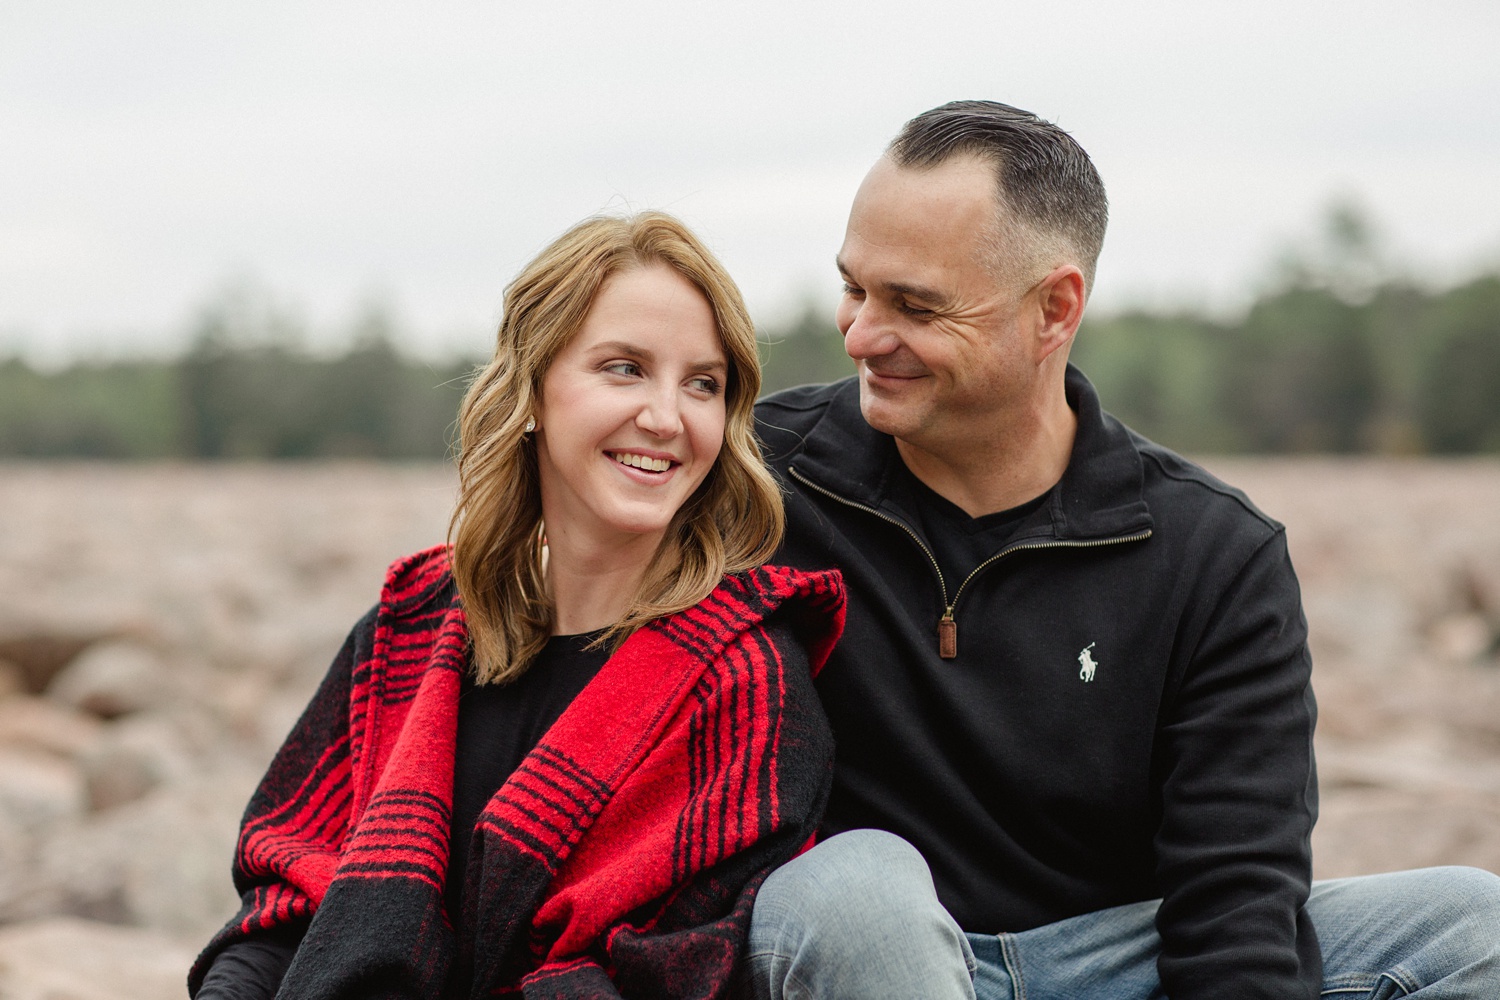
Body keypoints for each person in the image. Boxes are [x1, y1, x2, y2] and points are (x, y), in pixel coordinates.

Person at [743, 101, 1500, 999]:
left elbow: (1234, 901)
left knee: (1472, 922)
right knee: (857, 887)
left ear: (1054, 309)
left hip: (1110, 962)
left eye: (915, 305)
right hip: (857, 955)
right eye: (855, 288)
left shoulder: (1214, 555)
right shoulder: (754, 483)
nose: (862, 333)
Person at [187, 212, 845, 1000]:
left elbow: (671, 972)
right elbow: (285, 909)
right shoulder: (411, 629)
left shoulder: (746, 683)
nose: (668, 418)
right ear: (531, 390)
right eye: (624, 369)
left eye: (703, 384)